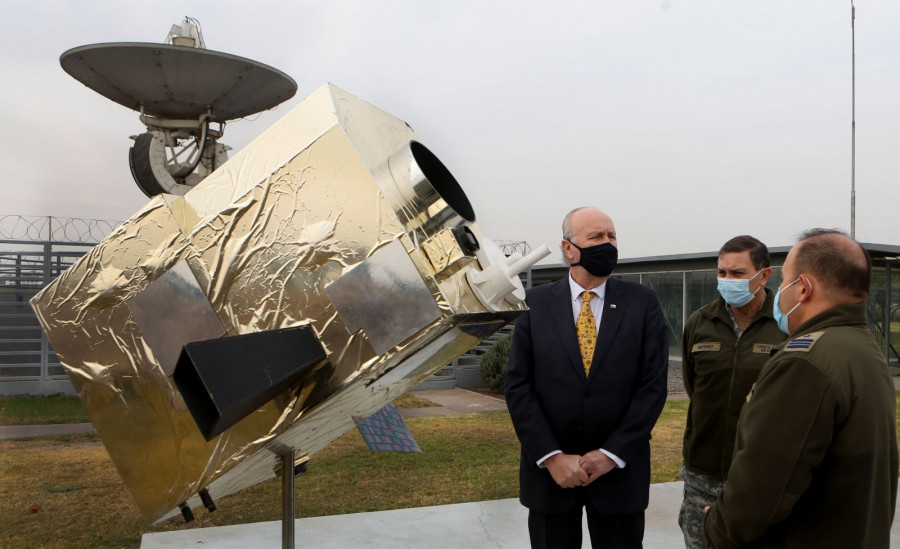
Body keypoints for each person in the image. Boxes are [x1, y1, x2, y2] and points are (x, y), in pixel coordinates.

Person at [704, 229, 898, 548]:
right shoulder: (864, 350)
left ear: (803, 288)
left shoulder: (805, 362)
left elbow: (761, 487)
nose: (780, 293)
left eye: (784, 283)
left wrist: (716, 528)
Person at [505, 206, 669, 549]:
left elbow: (652, 387)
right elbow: (519, 387)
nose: (607, 244)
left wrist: (611, 454)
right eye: (596, 237)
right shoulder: (532, 304)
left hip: (619, 477)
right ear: (568, 248)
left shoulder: (643, 302)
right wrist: (551, 456)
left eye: (611, 236)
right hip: (552, 479)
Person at [679, 235, 785, 548]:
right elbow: (694, 386)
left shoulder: (787, 324)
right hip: (703, 474)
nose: (728, 280)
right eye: (722, 272)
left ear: (763, 275)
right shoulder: (700, 321)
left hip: (762, 477)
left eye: (738, 274)